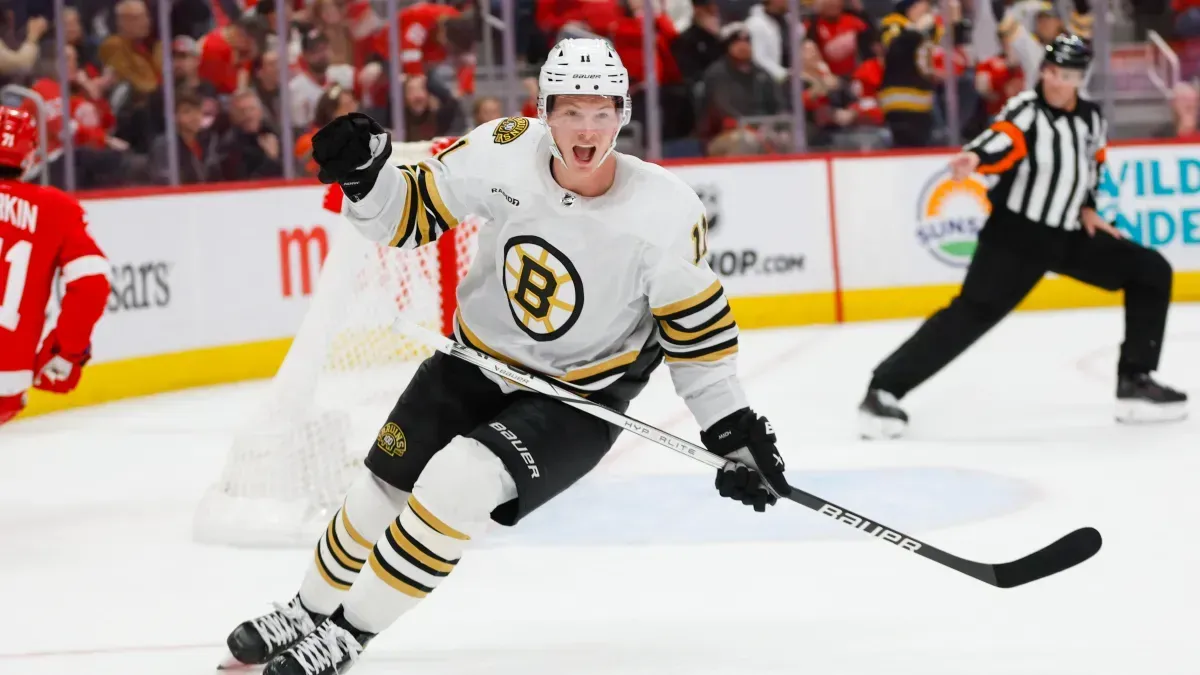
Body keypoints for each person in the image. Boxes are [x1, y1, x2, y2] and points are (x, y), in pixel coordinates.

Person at [219, 38, 789, 675]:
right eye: (571, 111)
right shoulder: (503, 148)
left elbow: (698, 341)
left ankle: (347, 635)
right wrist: (366, 181)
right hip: (473, 360)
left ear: (623, 114)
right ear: (544, 112)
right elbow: (406, 218)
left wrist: (731, 430)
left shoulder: (667, 211)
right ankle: (306, 610)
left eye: (601, 112)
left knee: (458, 481)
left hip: (577, 400)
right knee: (379, 488)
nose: (587, 129)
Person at [858, 35, 1187, 439]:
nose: (1057, 81)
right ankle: (884, 389)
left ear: (1080, 79)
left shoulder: (1091, 118)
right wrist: (975, 157)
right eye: (1052, 71)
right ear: (1043, 71)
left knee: (1150, 271)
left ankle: (1135, 381)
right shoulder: (1027, 110)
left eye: (1067, 75)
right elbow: (1003, 138)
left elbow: (1093, 162)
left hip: (1068, 233)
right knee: (970, 315)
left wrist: (1087, 206)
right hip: (1016, 236)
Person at [0, 108, 111, 426]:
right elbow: (92, 282)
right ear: (30, 157)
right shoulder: (57, 209)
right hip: (7, 380)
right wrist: (65, 351)